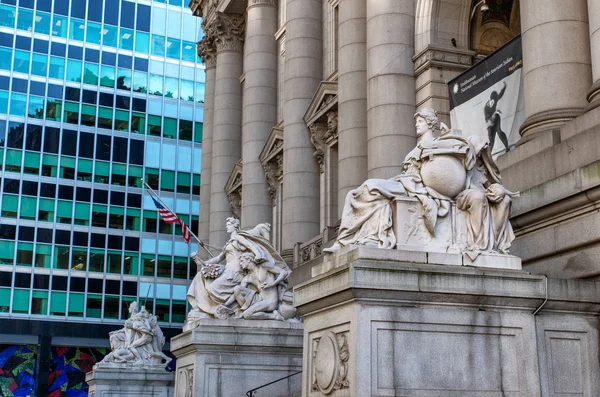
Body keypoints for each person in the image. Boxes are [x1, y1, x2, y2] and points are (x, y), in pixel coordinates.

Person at [324, 107, 517, 259]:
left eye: (420, 121)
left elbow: (470, 162)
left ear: (429, 124)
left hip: (430, 189)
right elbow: (411, 175)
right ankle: (346, 240)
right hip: (412, 185)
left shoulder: (444, 144)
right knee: (357, 192)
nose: (416, 125)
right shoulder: (415, 151)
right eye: (416, 121)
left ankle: (362, 238)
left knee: (370, 188)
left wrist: (495, 187)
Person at [186, 218, 291, 320]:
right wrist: (202, 263)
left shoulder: (239, 237)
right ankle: (206, 308)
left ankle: (230, 310)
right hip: (226, 271)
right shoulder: (229, 243)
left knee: (212, 288)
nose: (227, 227)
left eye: (229, 225)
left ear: (235, 226)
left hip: (234, 274)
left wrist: (258, 254)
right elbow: (218, 258)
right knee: (200, 276)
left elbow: (250, 245)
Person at [484, 81, 510, 152]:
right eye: (493, 99)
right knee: (491, 141)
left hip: (495, 119)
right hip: (490, 123)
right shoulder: (487, 107)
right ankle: (489, 156)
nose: (494, 100)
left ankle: (507, 147)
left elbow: (500, 95)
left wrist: (504, 88)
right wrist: (491, 120)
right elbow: (487, 118)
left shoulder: (494, 100)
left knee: (500, 133)